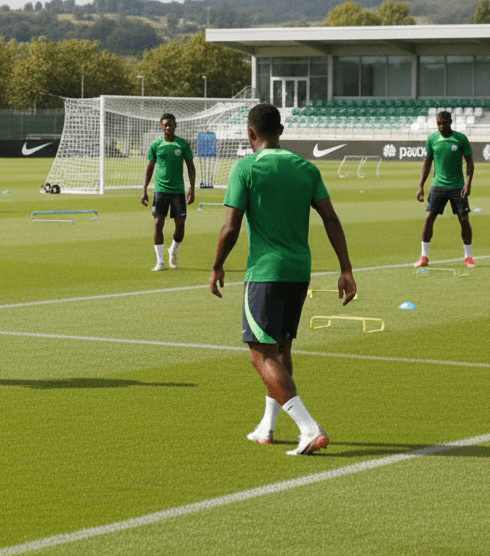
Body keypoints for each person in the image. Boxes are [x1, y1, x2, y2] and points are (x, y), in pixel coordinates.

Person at [209, 103, 356, 456]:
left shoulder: (245, 167)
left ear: (251, 133)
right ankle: (268, 427)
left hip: (265, 272)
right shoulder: (306, 167)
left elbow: (231, 226)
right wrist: (346, 269)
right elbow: (331, 218)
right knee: (281, 349)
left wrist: (216, 266)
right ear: (281, 131)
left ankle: (309, 428)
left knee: (260, 355)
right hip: (298, 271)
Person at [415, 111, 475, 268]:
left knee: (464, 219)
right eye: (439, 123)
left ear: (451, 122)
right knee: (429, 218)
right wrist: (421, 186)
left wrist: (468, 183)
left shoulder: (460, 138)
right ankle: (424, 256)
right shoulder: (432, 139)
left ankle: (468, 258)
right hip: (438, 185)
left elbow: (470, 162)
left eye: (444, 123)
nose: (441, 126)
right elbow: (427, 163)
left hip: (457, 186)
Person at [141, 113, 196, 271]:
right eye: (165, 124)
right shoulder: (156, 144)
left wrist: (192, 188)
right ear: (161, 126)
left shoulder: (182, 144)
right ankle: (160, 262)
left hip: (178, 190)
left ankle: (173, 249)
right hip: (160, 190)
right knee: (158, 224)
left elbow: (191, 166)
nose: (168, 127)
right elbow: (150, 168)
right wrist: (144, 190)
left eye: (171, 124)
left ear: (175, 126)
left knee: (180, 225)